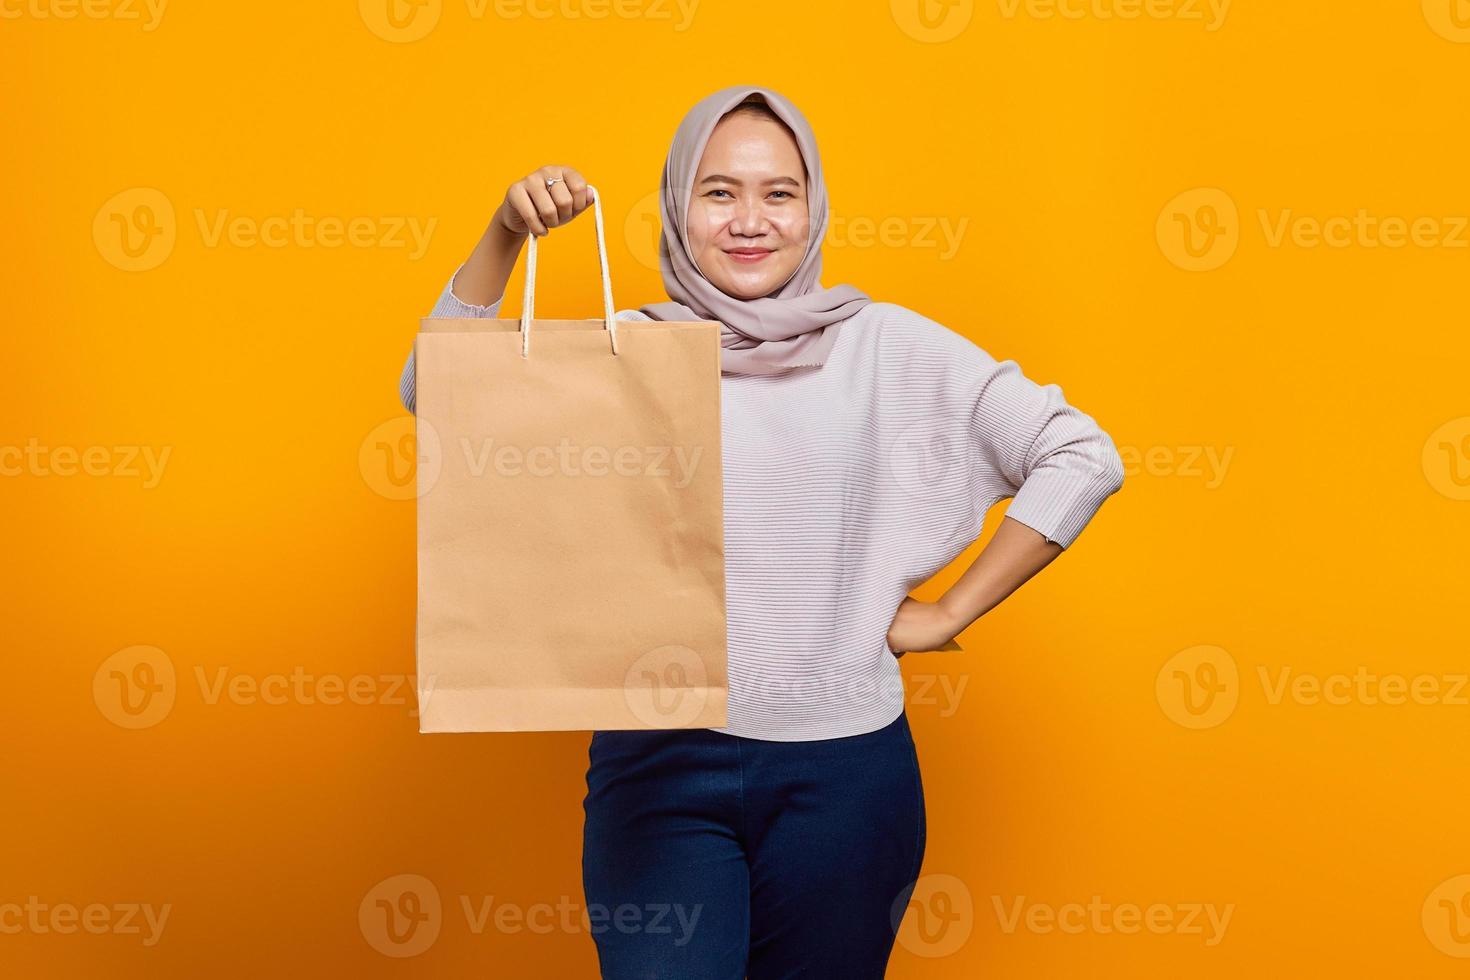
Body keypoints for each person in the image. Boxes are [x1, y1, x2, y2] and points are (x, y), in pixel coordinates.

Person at [398, 84, 1125, 979]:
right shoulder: (633, 353)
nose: (750, 220)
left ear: (813, 208)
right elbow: (431, 395)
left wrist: (948, 614)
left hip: (847, 781)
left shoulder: (886, 346)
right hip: (656, 769)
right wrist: (503, 234)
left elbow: (1080, 455)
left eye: (779, 193)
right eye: (718, 192)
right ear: (677, 207)